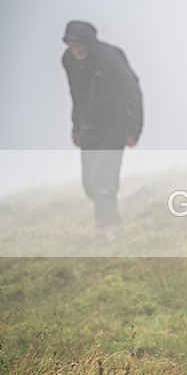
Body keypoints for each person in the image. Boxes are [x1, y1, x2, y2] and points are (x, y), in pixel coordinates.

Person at [62, 20, 143, 235]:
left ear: (89, 42)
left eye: (79, 45)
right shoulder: (69, 60)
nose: (76, 49)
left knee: (102, 176)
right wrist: (76, 126)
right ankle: (104, 222)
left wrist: (134, 129)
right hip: (88, 127)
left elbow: (133, 88)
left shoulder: (110, 57)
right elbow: (76, 95)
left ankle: (111, 226)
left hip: (114, 125)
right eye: (71, 45)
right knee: (89, 183)